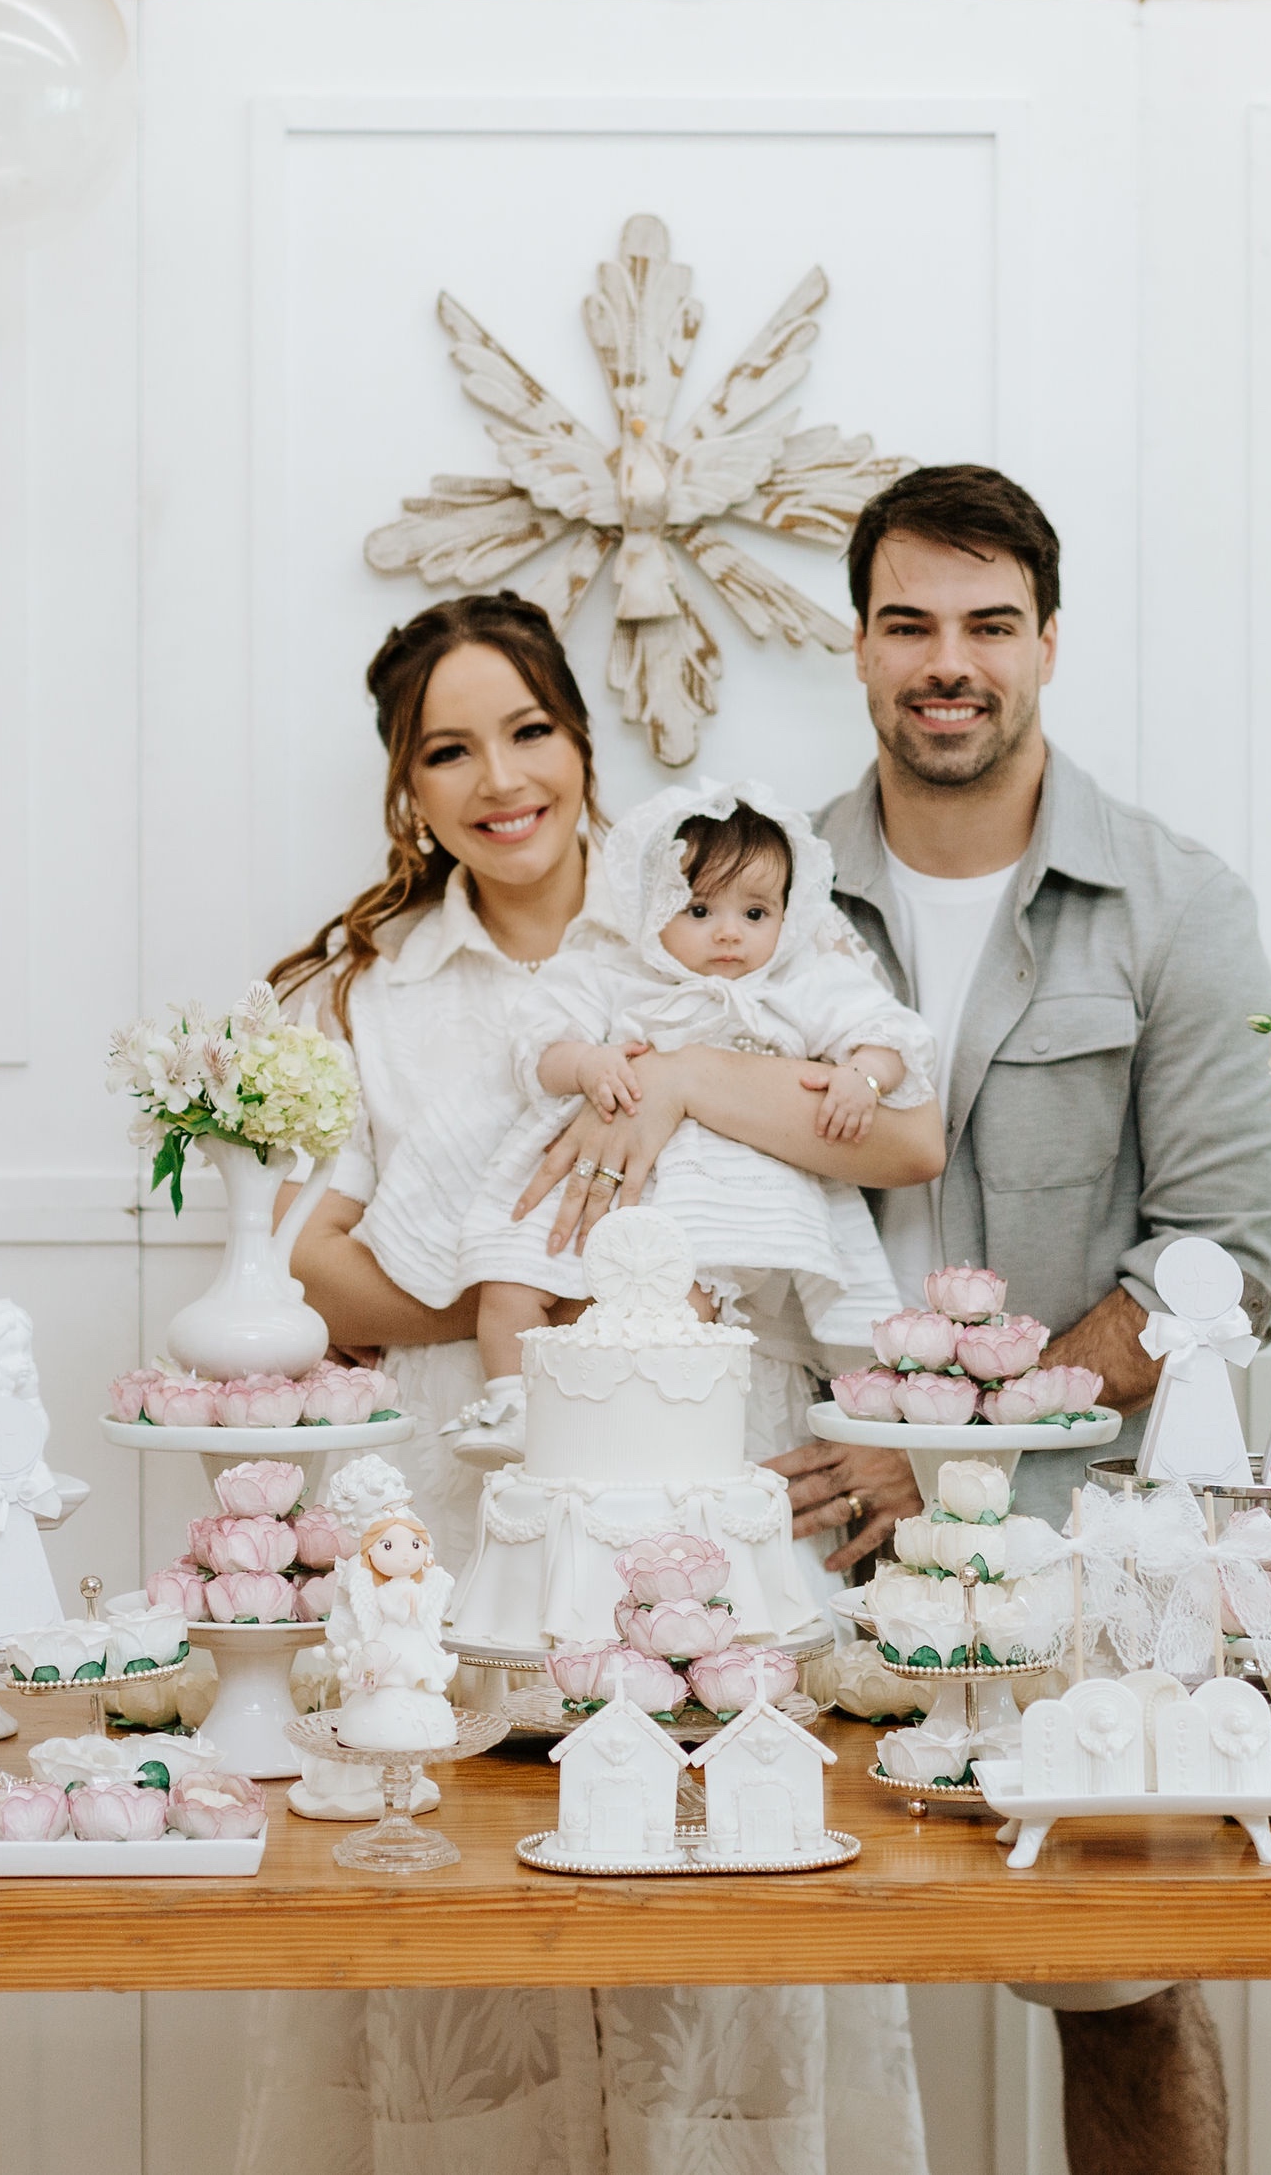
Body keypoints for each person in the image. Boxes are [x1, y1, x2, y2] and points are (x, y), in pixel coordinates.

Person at [528, 464, 1271, 2175]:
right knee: (740, 2002)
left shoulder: (1175, 907)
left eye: (989, 624)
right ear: (860, 646)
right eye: (910, 624)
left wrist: (942, 1435)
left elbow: (1224, 1259)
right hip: (776, 1531)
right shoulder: (738, 896)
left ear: (1047, 644)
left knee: (1120, 1983)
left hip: (1079, 1547)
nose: (950, 661)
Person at [239, 590, 940, 2175]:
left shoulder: (725, 899)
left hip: (717, 1483)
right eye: (450, 751)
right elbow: (309, 1265)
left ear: (581, 734)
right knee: (469, 1952)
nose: (503, 778)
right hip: (467, 1498)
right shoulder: (375, 992)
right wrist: (541, 1293)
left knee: (723, 1920)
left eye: (531, 730)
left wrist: (689, 1081)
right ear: (407, 791)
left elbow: (901, 1130)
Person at [411, 777, 934, 1458]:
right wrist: (587, 1064)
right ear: (650, 908)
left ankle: (649, 1431)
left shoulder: (796, 984)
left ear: (789, 913)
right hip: (593, 1175)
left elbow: (890, 1033)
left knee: (680, 1311)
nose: (729, 934)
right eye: (698, 910)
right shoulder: (615, 970)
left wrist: (864, 1075)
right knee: (509, 1281)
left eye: (756, 914)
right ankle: (512, 1407)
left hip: (714, 1192)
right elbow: (537, 1046)